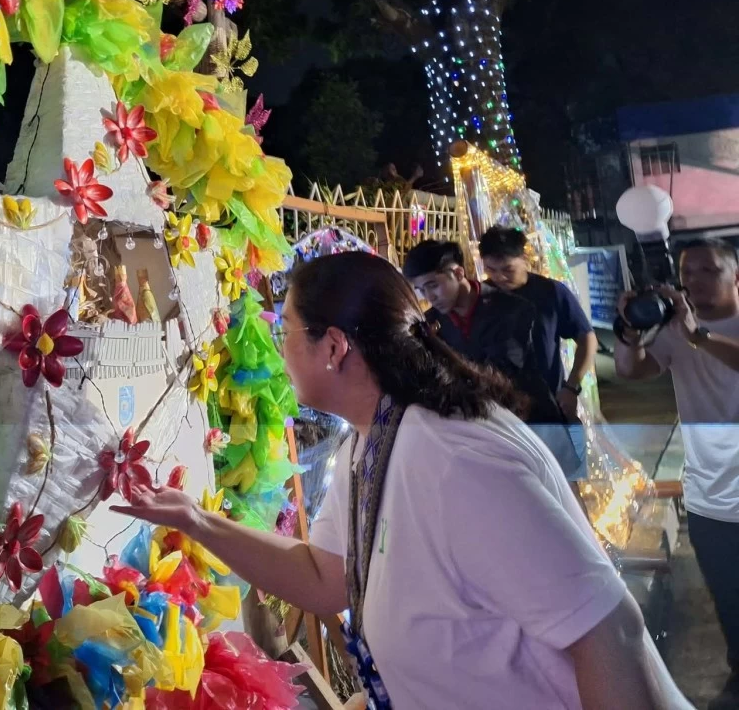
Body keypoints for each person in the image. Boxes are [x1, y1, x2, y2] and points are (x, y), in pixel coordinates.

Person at [117, 252, 690, 710]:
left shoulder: (452, 461)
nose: (278, 349)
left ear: (334, 347)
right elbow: (325, 578)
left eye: (285, 330)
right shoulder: (370, 441)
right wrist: (194, 520)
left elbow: (609, 629)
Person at [615, 238, 739, 710]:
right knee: (728, 593)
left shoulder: (694, 331)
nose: (696, 282)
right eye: (689, 273)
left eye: (709, 271)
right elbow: (633, 372)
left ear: (736, 276)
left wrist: (698, 336)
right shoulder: (677, 328)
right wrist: (628, 332)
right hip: (710, 489)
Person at [403, 239, 584, 478]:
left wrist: (436, 347)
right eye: (421, 290)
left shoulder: (511, 309)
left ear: (458, 273)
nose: (429, 296)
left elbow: (500, 374)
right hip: (484, 437)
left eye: (433, 285)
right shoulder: (432, 323)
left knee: (565, 501)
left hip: (535, 425)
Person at [478, 226, 599, 422]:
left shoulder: (551, 291)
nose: (499, 277)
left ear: (525, 259)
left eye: (508, 270)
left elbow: (587, 339)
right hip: (500, 409)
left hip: (549, 404)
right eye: (491, 270)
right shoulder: (482, 296)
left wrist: (571, 387)